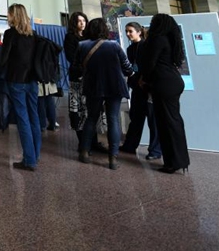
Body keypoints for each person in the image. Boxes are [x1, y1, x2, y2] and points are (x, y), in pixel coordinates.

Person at [74, 18, 132, 170]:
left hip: (94, 86)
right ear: (105, 30)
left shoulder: (82, 45)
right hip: (114, 86)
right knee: (113, 119)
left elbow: (77, 67)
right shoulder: (114, 45)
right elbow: (127, 67)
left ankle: (85, 152)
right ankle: (113, 158)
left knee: (91, 118)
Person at [139, 14, 190, 174]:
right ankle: (180, 160)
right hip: (173, 82)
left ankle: (173, 162)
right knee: (174, 121)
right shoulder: (169, 39)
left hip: (163, 83)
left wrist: (143, 80)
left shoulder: (157, 39)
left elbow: (149, 64)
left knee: (166, 123)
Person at [0, 4, 40, 171]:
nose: (7, 17)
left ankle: (29, 160)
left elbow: (4, 58)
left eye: (8, 14)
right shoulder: (34, 34)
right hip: (32, 81)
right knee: (34, 117)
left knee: (22, 119)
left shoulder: (10, 34)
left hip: (16, 80)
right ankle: (35, 155)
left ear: (13, 15)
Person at [120, 22, 162, 160]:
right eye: (126, 31)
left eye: (130, 31)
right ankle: (130, 146)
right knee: (136, 118)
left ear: (139, 32)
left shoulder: (147, 46)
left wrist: (144, 79)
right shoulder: (130, 49)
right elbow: (131, 67)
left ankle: (155, 151)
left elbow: (151, 66)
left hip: (148, 87)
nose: (127, 34)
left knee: (152, 119)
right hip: (137, 87)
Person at [64, 11, 89, 148]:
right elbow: (71, 57)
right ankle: (82, 142)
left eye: (84, 21)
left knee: (89, 110)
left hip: (90, 76)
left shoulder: (89, 36)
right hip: (77, 76)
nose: (82, 23)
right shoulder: (70, 37)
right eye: (79, 21)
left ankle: (93, 140)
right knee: (78, 109)